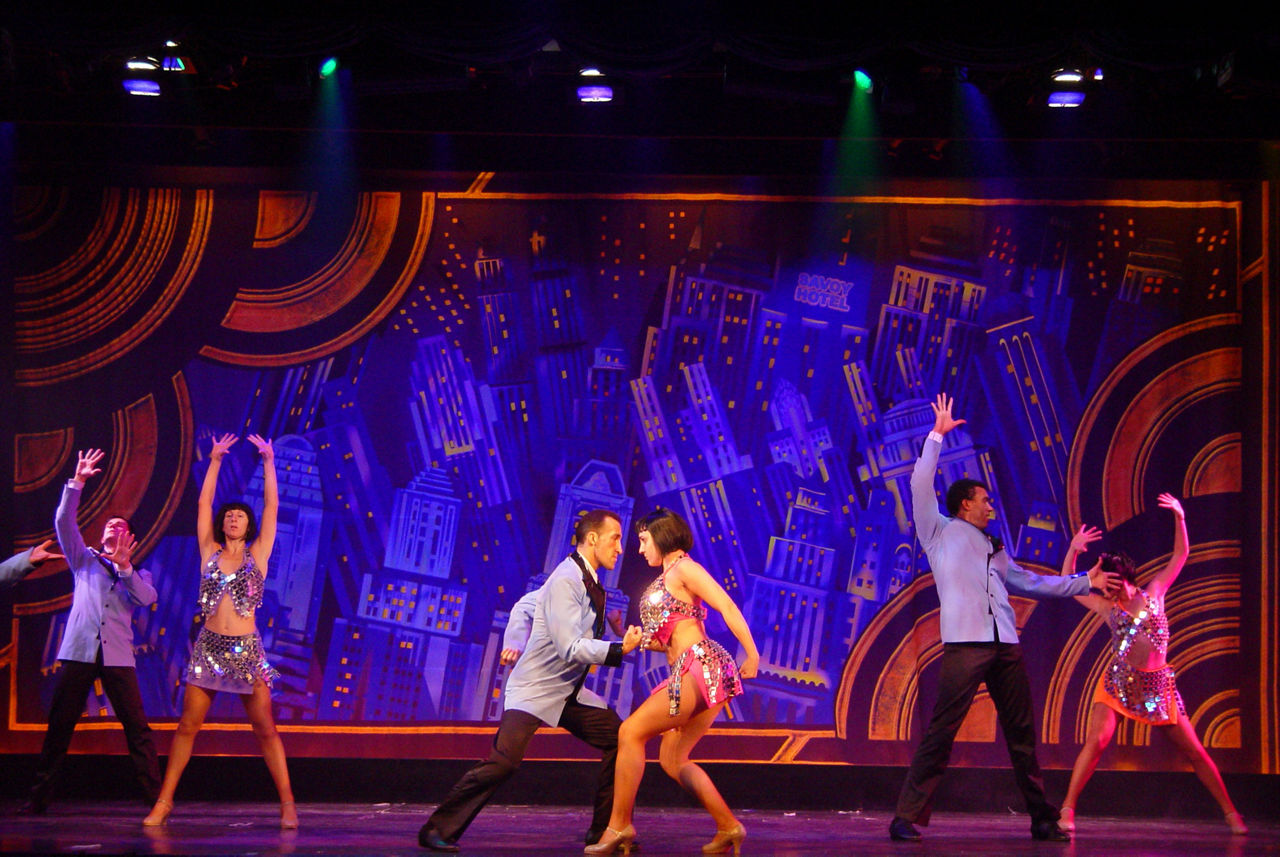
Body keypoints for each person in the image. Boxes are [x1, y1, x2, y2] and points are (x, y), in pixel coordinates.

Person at [887, 394, 1121, 843]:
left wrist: (1084, 581)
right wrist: (937, 434)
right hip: (966, 645)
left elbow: (1031, 583)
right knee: (942, 730)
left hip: (1005, 645)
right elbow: (920, 486)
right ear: (964, 505)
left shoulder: (995, 549)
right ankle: (907, 816)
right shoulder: (938, 533)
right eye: (984, 500)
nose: (991, 506)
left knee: (1021, 736)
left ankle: (1041, 818)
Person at [418, 510, 644, 852]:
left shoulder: (589, 580)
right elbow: (568, 646)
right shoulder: (567, 578)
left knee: (622, 738)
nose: (620, 546)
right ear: (593, 538)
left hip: (566, 692)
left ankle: (604, 832)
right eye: (615, 537)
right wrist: (617, 648)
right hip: (535, 689)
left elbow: (528, 606)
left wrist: (613, 629)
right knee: (504, 762)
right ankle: (436, 829)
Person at [1057, 494, 1247, 835]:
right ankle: (1067, 810)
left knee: (1195, 752)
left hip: (1157, 688)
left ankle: (1232, 814)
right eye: (1102, 582)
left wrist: (1180, 517)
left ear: (1123, 577)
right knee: (1097, 742)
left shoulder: (1154, 593)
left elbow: (1181, 555)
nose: (1106, 586)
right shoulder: (1107, 608)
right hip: (1118, 684)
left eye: (1109, 580)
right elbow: (1067, 587)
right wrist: (1073, 550)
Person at [586, 507, 760, 857]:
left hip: (699, 665)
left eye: (644, 540)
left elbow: (725, 605)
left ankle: (619, 825)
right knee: (672, 758)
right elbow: (666, 638)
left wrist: (752, 654)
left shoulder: (685, 568)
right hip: (692, 669)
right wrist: (628, 634)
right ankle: (728, 826)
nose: (639, 549)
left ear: (662, 537)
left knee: (630, 732)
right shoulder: (666, 579)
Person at [143, 433, 296, 828]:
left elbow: (273, 506)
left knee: (265, 728)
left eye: (240, 516)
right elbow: (202, 503)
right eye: (229, 515)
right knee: (187, 726)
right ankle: (164, 802)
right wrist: (213, 461)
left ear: (248, 526)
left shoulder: (257, 555)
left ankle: (287, 804)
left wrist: (267, 462)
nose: (232, 518)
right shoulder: (208, 552)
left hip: (245, 651)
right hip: (208, 647)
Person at [21, 449, 162, 815]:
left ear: (130, 538)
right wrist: (77, 482)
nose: (113, 528)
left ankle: (154, 799)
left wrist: (127, 567)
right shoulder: (84, 559)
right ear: (101, 537)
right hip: (79, 651)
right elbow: (64, 522)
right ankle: (39, 799)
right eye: (109, 526)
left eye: (120, 527)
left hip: (117, 656)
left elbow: (147, 598)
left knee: (137, 727)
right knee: (60, 725)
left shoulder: (138, 574)